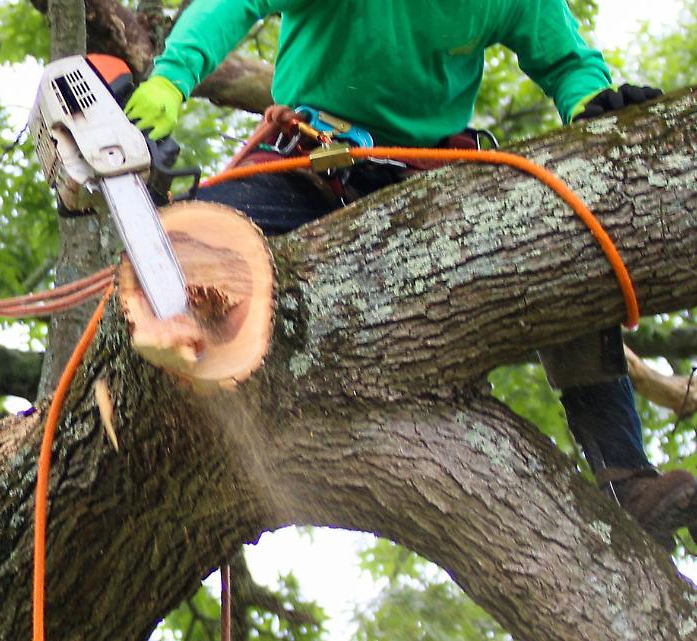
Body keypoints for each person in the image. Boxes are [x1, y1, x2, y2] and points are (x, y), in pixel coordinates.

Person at [124, 0, 690, 548]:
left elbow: (566, 61)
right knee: (185, 248)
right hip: (307, 167)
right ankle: (188, 382)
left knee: (559, 238)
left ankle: (626, 479)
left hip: (427, 186)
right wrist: (174, 76)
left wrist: (590, 102)